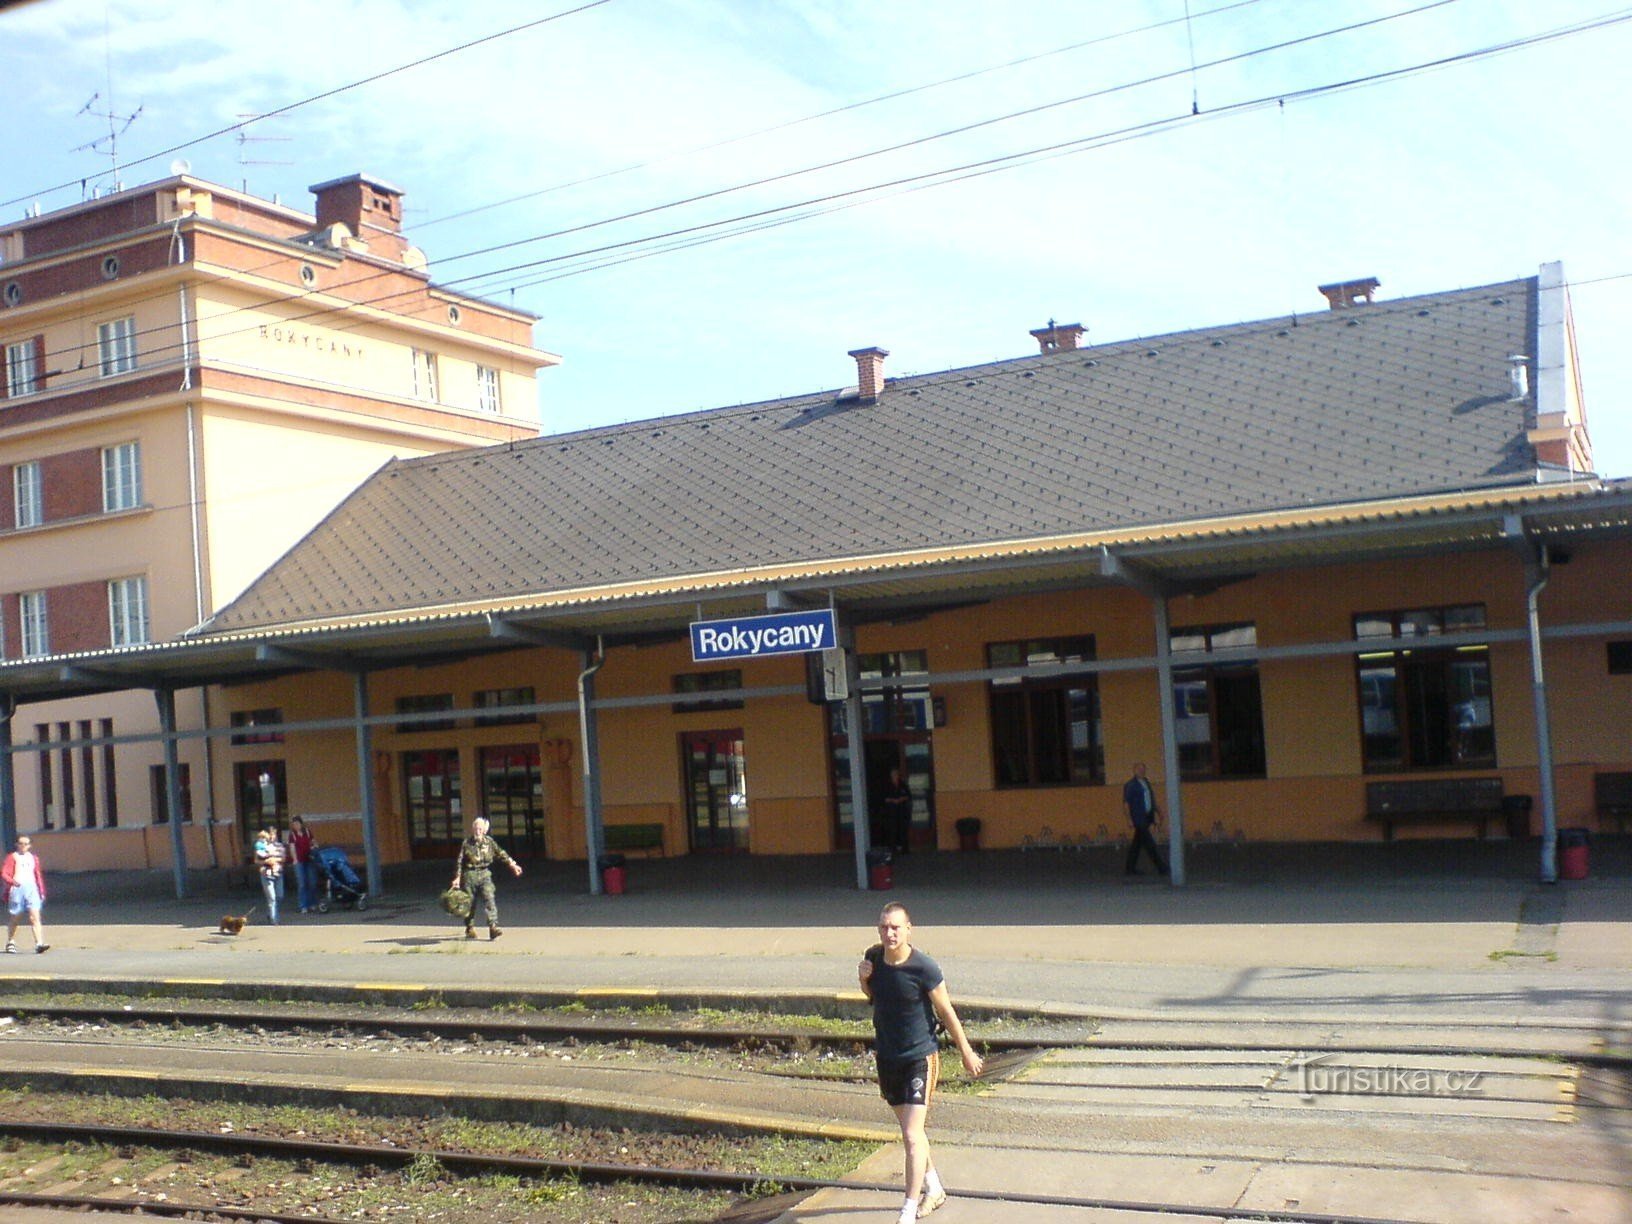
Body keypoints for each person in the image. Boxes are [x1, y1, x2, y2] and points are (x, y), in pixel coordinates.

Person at [858, 902, 983, 1221]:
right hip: (888, 1057)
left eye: (896, 927)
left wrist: (966, 1051)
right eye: (885, 926)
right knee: (911, 1134)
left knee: (913, 1136)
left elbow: (947, 1011)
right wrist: (862, 980)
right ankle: (935, 1188)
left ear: (909, 930)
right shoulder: (873, 958)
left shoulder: (924, 967)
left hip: (920, 1058)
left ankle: (908, 1210)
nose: (890, 933)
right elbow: (874, 997)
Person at [452, 816, 522, 940]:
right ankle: (470, 927)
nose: (477, 831)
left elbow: (501, 853)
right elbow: (460, 861)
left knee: (490, 899)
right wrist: (457, 878)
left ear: (484, 830)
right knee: (470, 903)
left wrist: (513, 864)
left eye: (480, 828)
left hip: (484, 874)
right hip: (470, 875)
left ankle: (493, 927)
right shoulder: (467, 843)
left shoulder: (489, 842)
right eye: (475, 828)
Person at [2, 835, 48, 954]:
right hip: (17, 889)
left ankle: (39, 943)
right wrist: (13, 882)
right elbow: (4, 873)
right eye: (21, 843)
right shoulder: (12, 857)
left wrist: (41, 890)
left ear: (30, 845)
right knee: (15, 917)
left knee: (35, 917)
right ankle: (10, 941)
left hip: (31, 889)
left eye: (26, 844)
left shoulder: (33, 858)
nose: (23, 846)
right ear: (16, 844)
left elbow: (37, 875)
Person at [1122, 761, 1169, 876]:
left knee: (1136, 844)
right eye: (1139, 769)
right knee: (1149, 844)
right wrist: (1129, 819)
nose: (1142, 771)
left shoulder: (1146, 782)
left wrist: (1159, 812)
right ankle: (1162, 867)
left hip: (1148, 816)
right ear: (1134, 771)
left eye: (1143, 769)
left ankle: (1130, 868)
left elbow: (1151, 799)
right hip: (1138, 818)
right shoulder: (1130, 785)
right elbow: (1126, 803)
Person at [285, 816, 319, 914]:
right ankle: (303, 906)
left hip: (309, 859)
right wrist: (295, 859)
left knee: (312, 882)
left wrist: (315, 846)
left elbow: (313, 841)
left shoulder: (307, 832)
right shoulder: (292, 835)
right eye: (294, 824)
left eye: (297, 824)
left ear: (301, 824)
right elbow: (292, 848)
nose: (295, 826)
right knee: (302, 884)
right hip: (299, 861)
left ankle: (312, 903)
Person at [253, 827, 284, 924]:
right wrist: (265, 861)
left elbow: (283, 858)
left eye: (273, 835)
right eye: (269, 835)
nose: (271, 837)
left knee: (280, 896)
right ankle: (275, 920)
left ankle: (270, 913)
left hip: (278, 873)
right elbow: (256, 860)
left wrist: (274, 860)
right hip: (266, 873)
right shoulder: (261, 846)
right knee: (272, 898)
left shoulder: (279, 846)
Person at [881, 766, 914, 855]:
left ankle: (904, 849)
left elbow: (908, 796)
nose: (895, 776)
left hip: (902, 810)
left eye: (896, 774)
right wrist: (893, 800)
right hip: (891, 811)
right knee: (892, 830)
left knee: (903, 829)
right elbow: (885, 799)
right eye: (893, 774)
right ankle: (892, 848)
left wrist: (901, 799)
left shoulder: (903, 785)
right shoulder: (887, 785)